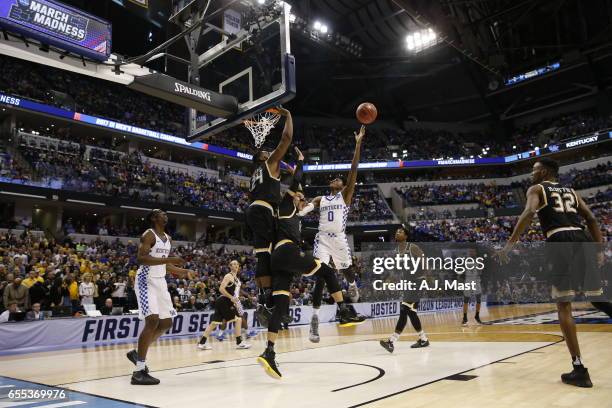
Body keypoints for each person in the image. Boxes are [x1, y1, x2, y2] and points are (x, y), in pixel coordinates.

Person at [498, 158, 611, 388]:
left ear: (545, 172)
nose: (531, 174)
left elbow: (529, 212)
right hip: (582, 239)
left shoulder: (537, 189)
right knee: (599, 300)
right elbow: (590, 218)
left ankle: (579, 369)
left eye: (535, 170)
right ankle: (578, 368)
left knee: (563, 304)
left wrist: (509, 245)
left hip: (559, 239)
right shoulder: (570, 190)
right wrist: (598, 249)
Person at [257, 155, 365, 379]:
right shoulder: (286, 206)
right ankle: (344, 310)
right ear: (292, 196)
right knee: (326, 270)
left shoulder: (296, 214)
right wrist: (299, 161)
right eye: (300, 197)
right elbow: (296, 181)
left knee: (280, 307)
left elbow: (302, 197)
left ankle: (269, 351)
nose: (302, 199)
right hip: (286, 251)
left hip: (278, 261)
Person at [300, 126, 365, 343]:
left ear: (344, 185)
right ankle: (315, 319)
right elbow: (305, 209)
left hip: (339, 239)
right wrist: (301, 209)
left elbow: (353, 170)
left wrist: (357, 144)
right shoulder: (321, 199)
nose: (335, 180)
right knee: (322, 274)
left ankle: (353, 285)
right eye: (333, 179)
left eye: (339, 179)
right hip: (323, 240)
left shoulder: (345, 196)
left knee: (347, 271)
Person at [126, 209, 193, 385]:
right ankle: (139, 371)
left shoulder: (168, 238)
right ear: (154, 218)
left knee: (167, 322)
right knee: (152, 320)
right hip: (145, 280)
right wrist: (169, 260)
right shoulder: (149, 234)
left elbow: (166, 265)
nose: (165, 215)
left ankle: (136, 353)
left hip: (160, 281)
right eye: (161, 213)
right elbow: (142, 258)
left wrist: (184, 271)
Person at [246, 107, 293, 327]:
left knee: (264, 254)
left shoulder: (255, 173)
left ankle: (266, 298)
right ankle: (269, 300)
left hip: (256, 210)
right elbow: (286, 138)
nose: (271, 153)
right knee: (272, 255)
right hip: (264, 211)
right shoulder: (268, 163)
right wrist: (288, 116)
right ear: (263, 158)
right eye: (267, 152)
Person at [379, 226, 430, 353]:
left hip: (417, 282)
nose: (397, 233)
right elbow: (400, 269)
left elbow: (425, 262)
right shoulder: (397, 250)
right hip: (408, 283)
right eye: (396, 231)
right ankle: (424, 339)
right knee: (411, 313)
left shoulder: (412, 247)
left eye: (401, 231)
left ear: (406, 236)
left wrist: (422, 278)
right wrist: (390, 279)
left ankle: (391, 341)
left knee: (404, 309)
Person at [197, 259, 251, 350]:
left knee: (214, 323)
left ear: (239, 266)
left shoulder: (237, 279)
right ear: (230, 266)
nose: (235, 265)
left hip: (225, 301)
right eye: (233, 264)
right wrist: (231, 297)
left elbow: (235, 292)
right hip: (225, 300)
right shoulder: (228, 276)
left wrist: (237, 298)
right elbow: (221, 289)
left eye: (237, 264)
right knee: (238, 319)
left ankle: (201, 343)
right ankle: (239, 342)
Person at [461, 248, 483, 326]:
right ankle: (464, 318)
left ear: (475, 252)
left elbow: (481, 271)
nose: (471, 252)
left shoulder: (479, 260)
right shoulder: (466, 260)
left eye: (473, 251)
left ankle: (477, 316)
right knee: (466, 300)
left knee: (479, 299)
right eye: (470, 251)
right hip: (468, 280)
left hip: (476, 280)